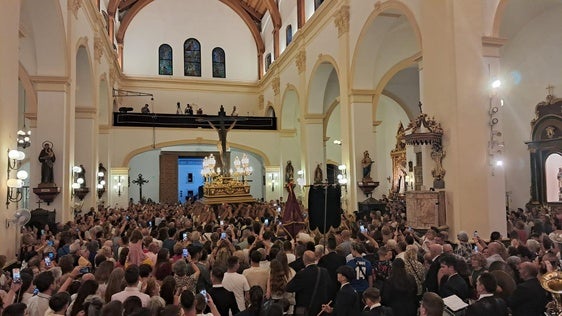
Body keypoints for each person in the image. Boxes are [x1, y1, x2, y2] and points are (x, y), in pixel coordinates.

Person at [286, 250, 332, 316]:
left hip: (305, 309)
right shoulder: (324, 271)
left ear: (303, 259)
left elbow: (289, 288)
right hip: (320, 309)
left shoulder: (302, 273)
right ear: (315, 259)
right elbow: (330, 287)